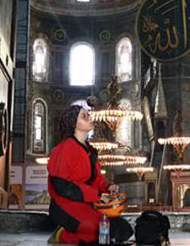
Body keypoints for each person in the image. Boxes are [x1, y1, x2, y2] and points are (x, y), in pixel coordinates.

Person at [47, 105, 133, 245]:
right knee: (101, 230)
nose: (89, 118)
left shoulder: (90, 150)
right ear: (73, 123)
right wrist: (96, 195)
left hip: (87, 204)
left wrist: (107, 187)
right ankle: (62, 234)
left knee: (122, 229)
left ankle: (81, 235)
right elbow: (62, 186)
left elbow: (96, 180)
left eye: (88, 115)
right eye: (84, 116)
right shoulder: (66, 147)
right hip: (65, 205)